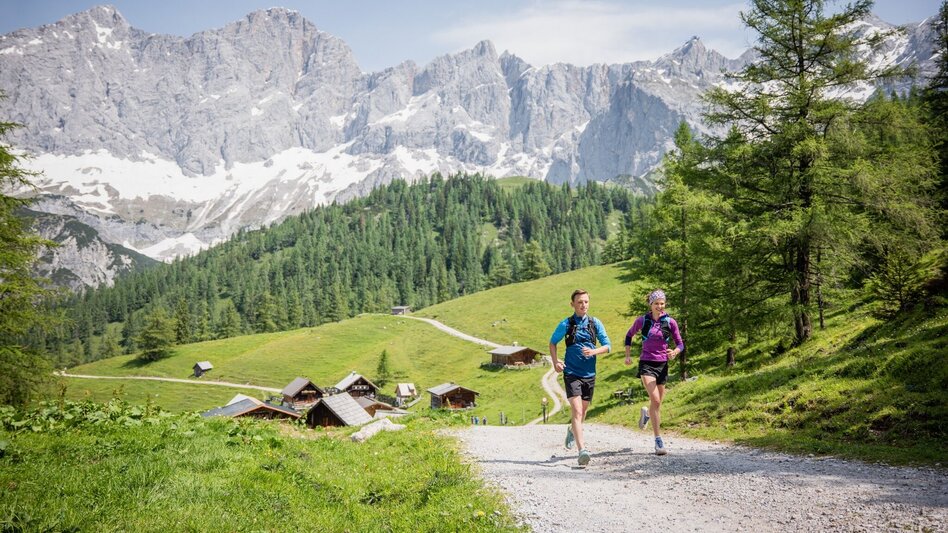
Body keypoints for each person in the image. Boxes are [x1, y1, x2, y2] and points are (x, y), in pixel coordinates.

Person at [550, 289, 611, 466]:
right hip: (571, 373)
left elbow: (608, 346)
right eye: (579, 302)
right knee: (576, 411)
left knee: (582, 412)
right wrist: (556, 362)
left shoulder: (595, 323)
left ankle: (571, 430)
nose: (583, 305)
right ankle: (582, 450)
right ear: (573, 305)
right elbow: (552, 342)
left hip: (589, 375)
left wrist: (594, 351)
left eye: (586, 302)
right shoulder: (566, 324)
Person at [624, 289, 684, 455]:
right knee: (656, 400)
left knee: (657, 405)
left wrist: (675, 352)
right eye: (656, 303)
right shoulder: (643, 321)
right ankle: (658, 441)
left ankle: (647, 415)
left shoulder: (670, 322)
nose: (659, 306)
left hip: (662, 365)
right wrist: (628, 355)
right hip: (647, 364)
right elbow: (628, 336)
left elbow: (680, 344)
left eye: (662, 303)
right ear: (650, 305)